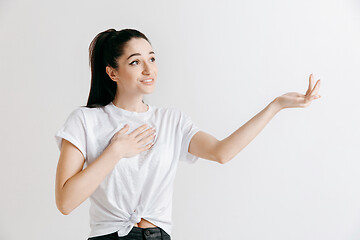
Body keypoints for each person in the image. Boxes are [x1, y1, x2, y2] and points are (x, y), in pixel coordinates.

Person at [54, 28, 322, 240]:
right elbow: (65, 202)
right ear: (112, 72)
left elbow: (221, 152)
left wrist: (275, 105)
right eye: (135, 62)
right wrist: (115, 152)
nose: (149, 70)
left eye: (152, 58)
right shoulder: (86, 121)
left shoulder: (171, 121)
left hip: (159, 235)